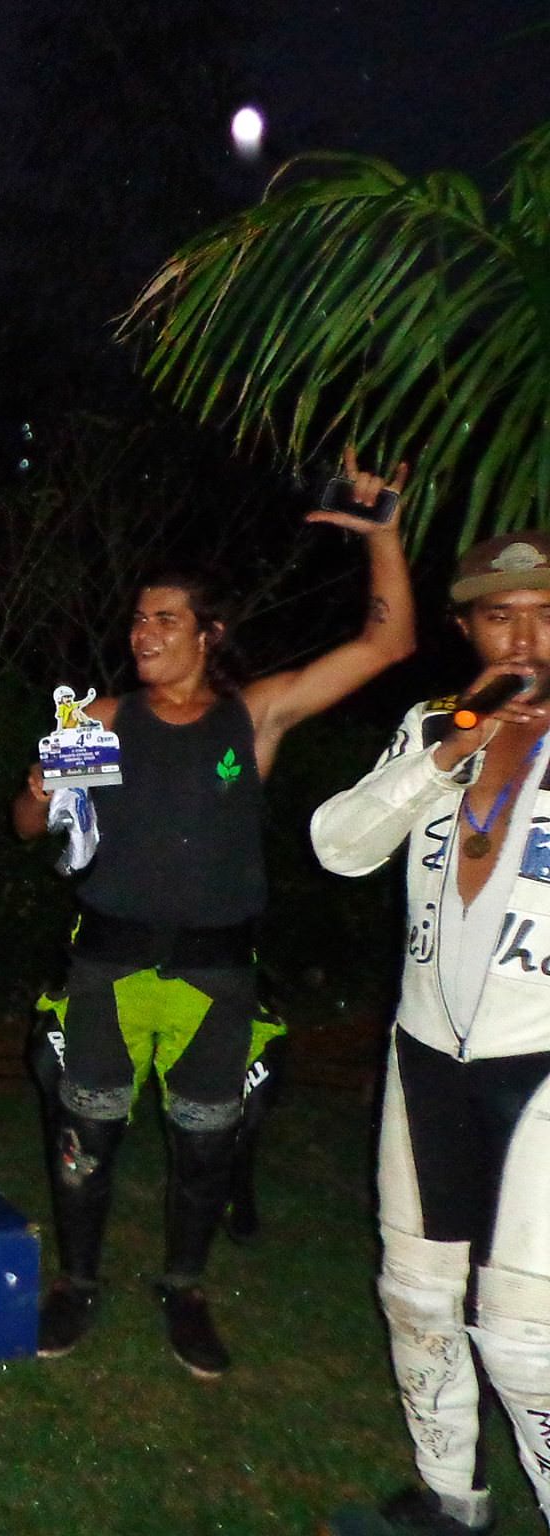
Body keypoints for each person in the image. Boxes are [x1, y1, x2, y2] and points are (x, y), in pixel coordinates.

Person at [12, 449, 415, 1376]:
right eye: (139, 616)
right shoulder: (101, 717)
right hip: (107, 967)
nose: (143, 629)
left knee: (205, 1141)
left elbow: (385, 646)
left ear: (209, 633)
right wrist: (36, 789)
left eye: (165, 618)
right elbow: (33, 826)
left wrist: (384, 539)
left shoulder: (255, 717)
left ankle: (185, 1287)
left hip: (215, 974)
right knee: (87, 1136)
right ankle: (75, 1282)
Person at [311, 530, 550, 1535]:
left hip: (538, 1066)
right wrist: (447, 751)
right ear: (466, 628)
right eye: (500, 616)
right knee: (414, 1295)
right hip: (425, 1058)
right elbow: (339, 846)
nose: (524, 638)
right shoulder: (432, 727)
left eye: (543, 614)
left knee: (520, 1338)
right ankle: (447, 1498)